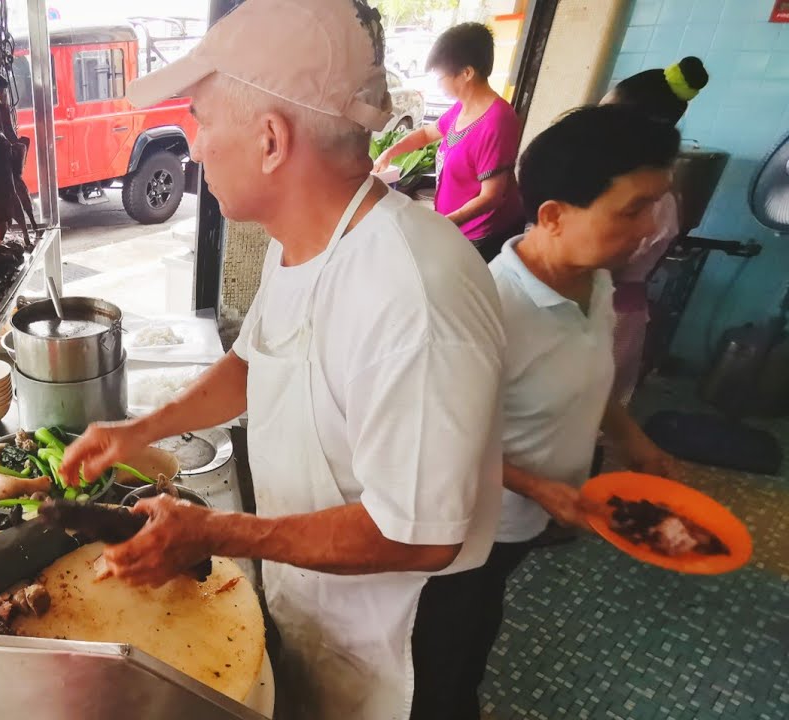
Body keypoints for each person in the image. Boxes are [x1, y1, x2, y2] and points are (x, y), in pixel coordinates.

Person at [58, 1, 506, 717]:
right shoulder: (304, 241)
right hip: (322, 593)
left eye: (203, 121)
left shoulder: (415, 294)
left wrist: (215, 533)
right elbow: (255, 362)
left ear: (270, 139)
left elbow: (416, 535)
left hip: (402, 634)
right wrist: (136, 432)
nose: (195, 149)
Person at [451, 105, 686, 718]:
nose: (649, 228)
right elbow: (446, 437)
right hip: (475, 526)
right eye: (632, 208)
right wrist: (538, 489)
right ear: (553, 216)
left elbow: (590, 376)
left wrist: (632, 437)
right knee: (455, 638)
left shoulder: (595, 280)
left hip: (531, 517)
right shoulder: (491, 310)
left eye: (656, 205)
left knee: (485, 614)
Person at [601, 57, 709, 403]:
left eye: (604, 118)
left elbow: (607, 266)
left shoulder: (647, 198)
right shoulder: (647, 187)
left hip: (610, 317)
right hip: (617, 310)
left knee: (587, 413)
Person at [375, 23, 525, 262]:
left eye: (441, 76)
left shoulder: (497, 121)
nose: (438, 84)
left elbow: (491, 197)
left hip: (483, 235)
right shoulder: (462, 108)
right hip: (456, 225)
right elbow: (426, 134)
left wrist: (443, 224)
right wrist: (389, 153)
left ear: (467, 73)